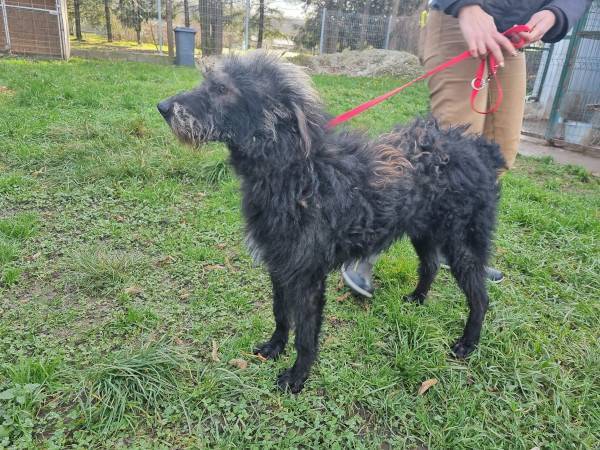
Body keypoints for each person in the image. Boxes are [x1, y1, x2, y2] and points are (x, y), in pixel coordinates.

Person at [342, 0, 592, 298]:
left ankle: (455, 245)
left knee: (496, 155)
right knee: (440, 156)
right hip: (460, 21)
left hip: (513, 37)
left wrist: (556, 13)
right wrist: (466, 6)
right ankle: (365, 249)